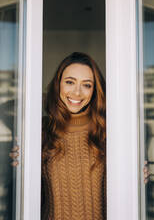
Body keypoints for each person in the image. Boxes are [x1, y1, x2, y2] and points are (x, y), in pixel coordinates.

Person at [41, 52, 106, 220]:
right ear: (58, 85)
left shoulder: (107, 131)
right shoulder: (41, 130)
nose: (77, 92)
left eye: (86, 85)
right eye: (69, 82)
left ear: (94, 90)